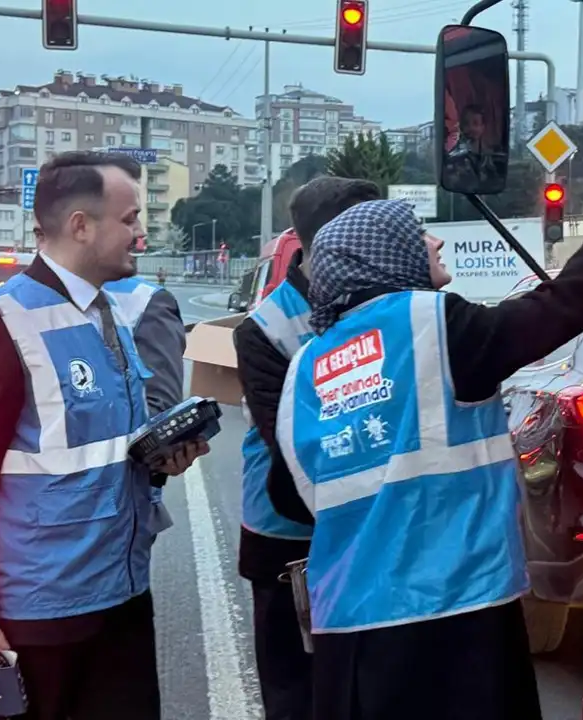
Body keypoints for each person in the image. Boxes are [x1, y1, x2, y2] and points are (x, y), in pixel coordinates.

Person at [273, 162, 583, 720]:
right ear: (384, 256)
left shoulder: (306, 365)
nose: (435, 239)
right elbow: (557, 309)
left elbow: (291, 495)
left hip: (347, 628)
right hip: (455, 618)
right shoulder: (435, 324)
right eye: (415, 233)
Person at [0, 150, 208, 719]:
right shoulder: (3, 322)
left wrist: (160, 458)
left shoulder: (108, 312)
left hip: (122, 593)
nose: (141, 233)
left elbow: (102, 447)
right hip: (41, 612)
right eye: (130, 219)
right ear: (81, 226)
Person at [232, 175, 382, 720]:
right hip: (287, 537)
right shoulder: (265, 329)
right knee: (296, 688)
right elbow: (291, 447)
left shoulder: (383, 302)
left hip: (368, 529)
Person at [105, 270, 188, 538]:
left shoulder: (145, 300)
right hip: (28, 524)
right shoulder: (11, 303)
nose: (138, 236)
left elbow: (160, 412)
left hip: (117, 513)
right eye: (126, 223)